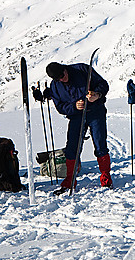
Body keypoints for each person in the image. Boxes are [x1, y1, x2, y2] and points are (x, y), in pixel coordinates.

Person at [42, 60, 112, 191]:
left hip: (96, 112)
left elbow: (103, 84)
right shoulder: (55, 86)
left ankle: (106, 177)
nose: (63, 79)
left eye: (63, 75)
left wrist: (96, 95)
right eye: (59, 79)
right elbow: (61, 107)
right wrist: (74, 107)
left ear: (64, 68)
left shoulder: (82, 69)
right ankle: (70, 180)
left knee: (100, 144)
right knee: (72, 148)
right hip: (76, 117)